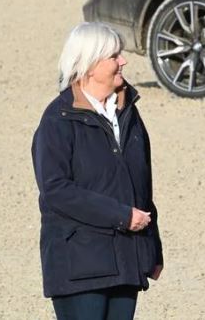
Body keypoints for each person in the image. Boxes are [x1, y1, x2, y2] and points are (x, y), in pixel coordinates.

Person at [31, 22, 163, 320]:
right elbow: (56, 190)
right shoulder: (57, 120)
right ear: (90, 64)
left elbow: (141, 184)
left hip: (126, 261)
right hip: (79, 266)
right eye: (115, 55)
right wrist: (122, 216)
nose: (123, 61)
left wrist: (152, 249)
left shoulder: (129, 112)